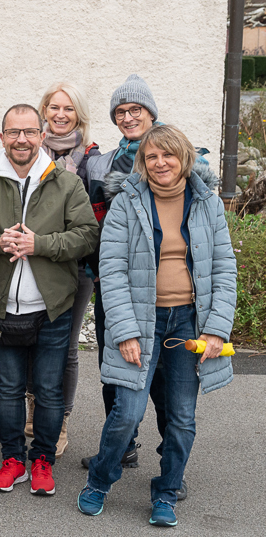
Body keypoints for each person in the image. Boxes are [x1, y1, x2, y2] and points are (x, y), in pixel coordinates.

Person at [78, 125, 236, 527]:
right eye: (151, 157)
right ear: (142, 164)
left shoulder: (207, 203)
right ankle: (100, 479)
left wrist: (217, 328)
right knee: (127, 413)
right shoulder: (126, 203)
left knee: (182, 418)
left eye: (168, 155)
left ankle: (166, 491)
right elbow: (110, 271)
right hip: (140, 319)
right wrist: (125, 331)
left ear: (183, 157)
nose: (160, 162)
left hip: (188, 323)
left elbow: (223, 268)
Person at [0, 104, 98, 497]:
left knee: (47, 388)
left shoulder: (66, 183)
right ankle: (12, 459)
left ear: (42, 136)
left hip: (53, 307)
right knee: (8, 387)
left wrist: (38, 244)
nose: (21, 139)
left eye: (29, 132)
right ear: (2, 136)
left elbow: (87, 235)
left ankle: (42, 459)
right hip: (2, 304)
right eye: (13, 132)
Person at [82, 74, 167, 473]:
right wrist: (96, 271)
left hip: (166, 288)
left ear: (150, 112)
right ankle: (123, 444)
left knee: (167, 377)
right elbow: (95, 224)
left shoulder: (176, 153)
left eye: (135, 109)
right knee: (113, 366)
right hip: (114, 282)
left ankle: (172, 454)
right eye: (121, 112)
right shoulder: (105, 162)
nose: (128, 117)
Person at [21, 82, 100, 456]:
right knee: (31, 341)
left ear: (78, 114)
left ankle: (61, 417)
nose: (60, 114)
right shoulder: (29, 150)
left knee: (65, 346)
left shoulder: (91, 159)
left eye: (68, 108)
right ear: (44, 111)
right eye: (54, 107)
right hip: (29, 260)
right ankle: (34, 411)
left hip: (75, 268)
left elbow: (92, 223)